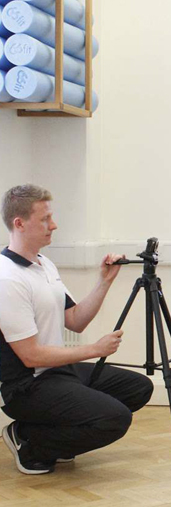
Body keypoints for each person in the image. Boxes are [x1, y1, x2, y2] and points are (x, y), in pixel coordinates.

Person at [0, 185, 153, 475]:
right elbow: (30, 356)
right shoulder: (7, 278)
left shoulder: (43, 264)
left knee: (138, 388)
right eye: (45, 219)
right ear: (19, 223)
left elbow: (75, 319)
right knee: (115, 419)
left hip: (58, 373)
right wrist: (95, 349)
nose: (53, 225)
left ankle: (52, 438)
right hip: (27, 385)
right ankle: (30, 441)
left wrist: (104, 281)